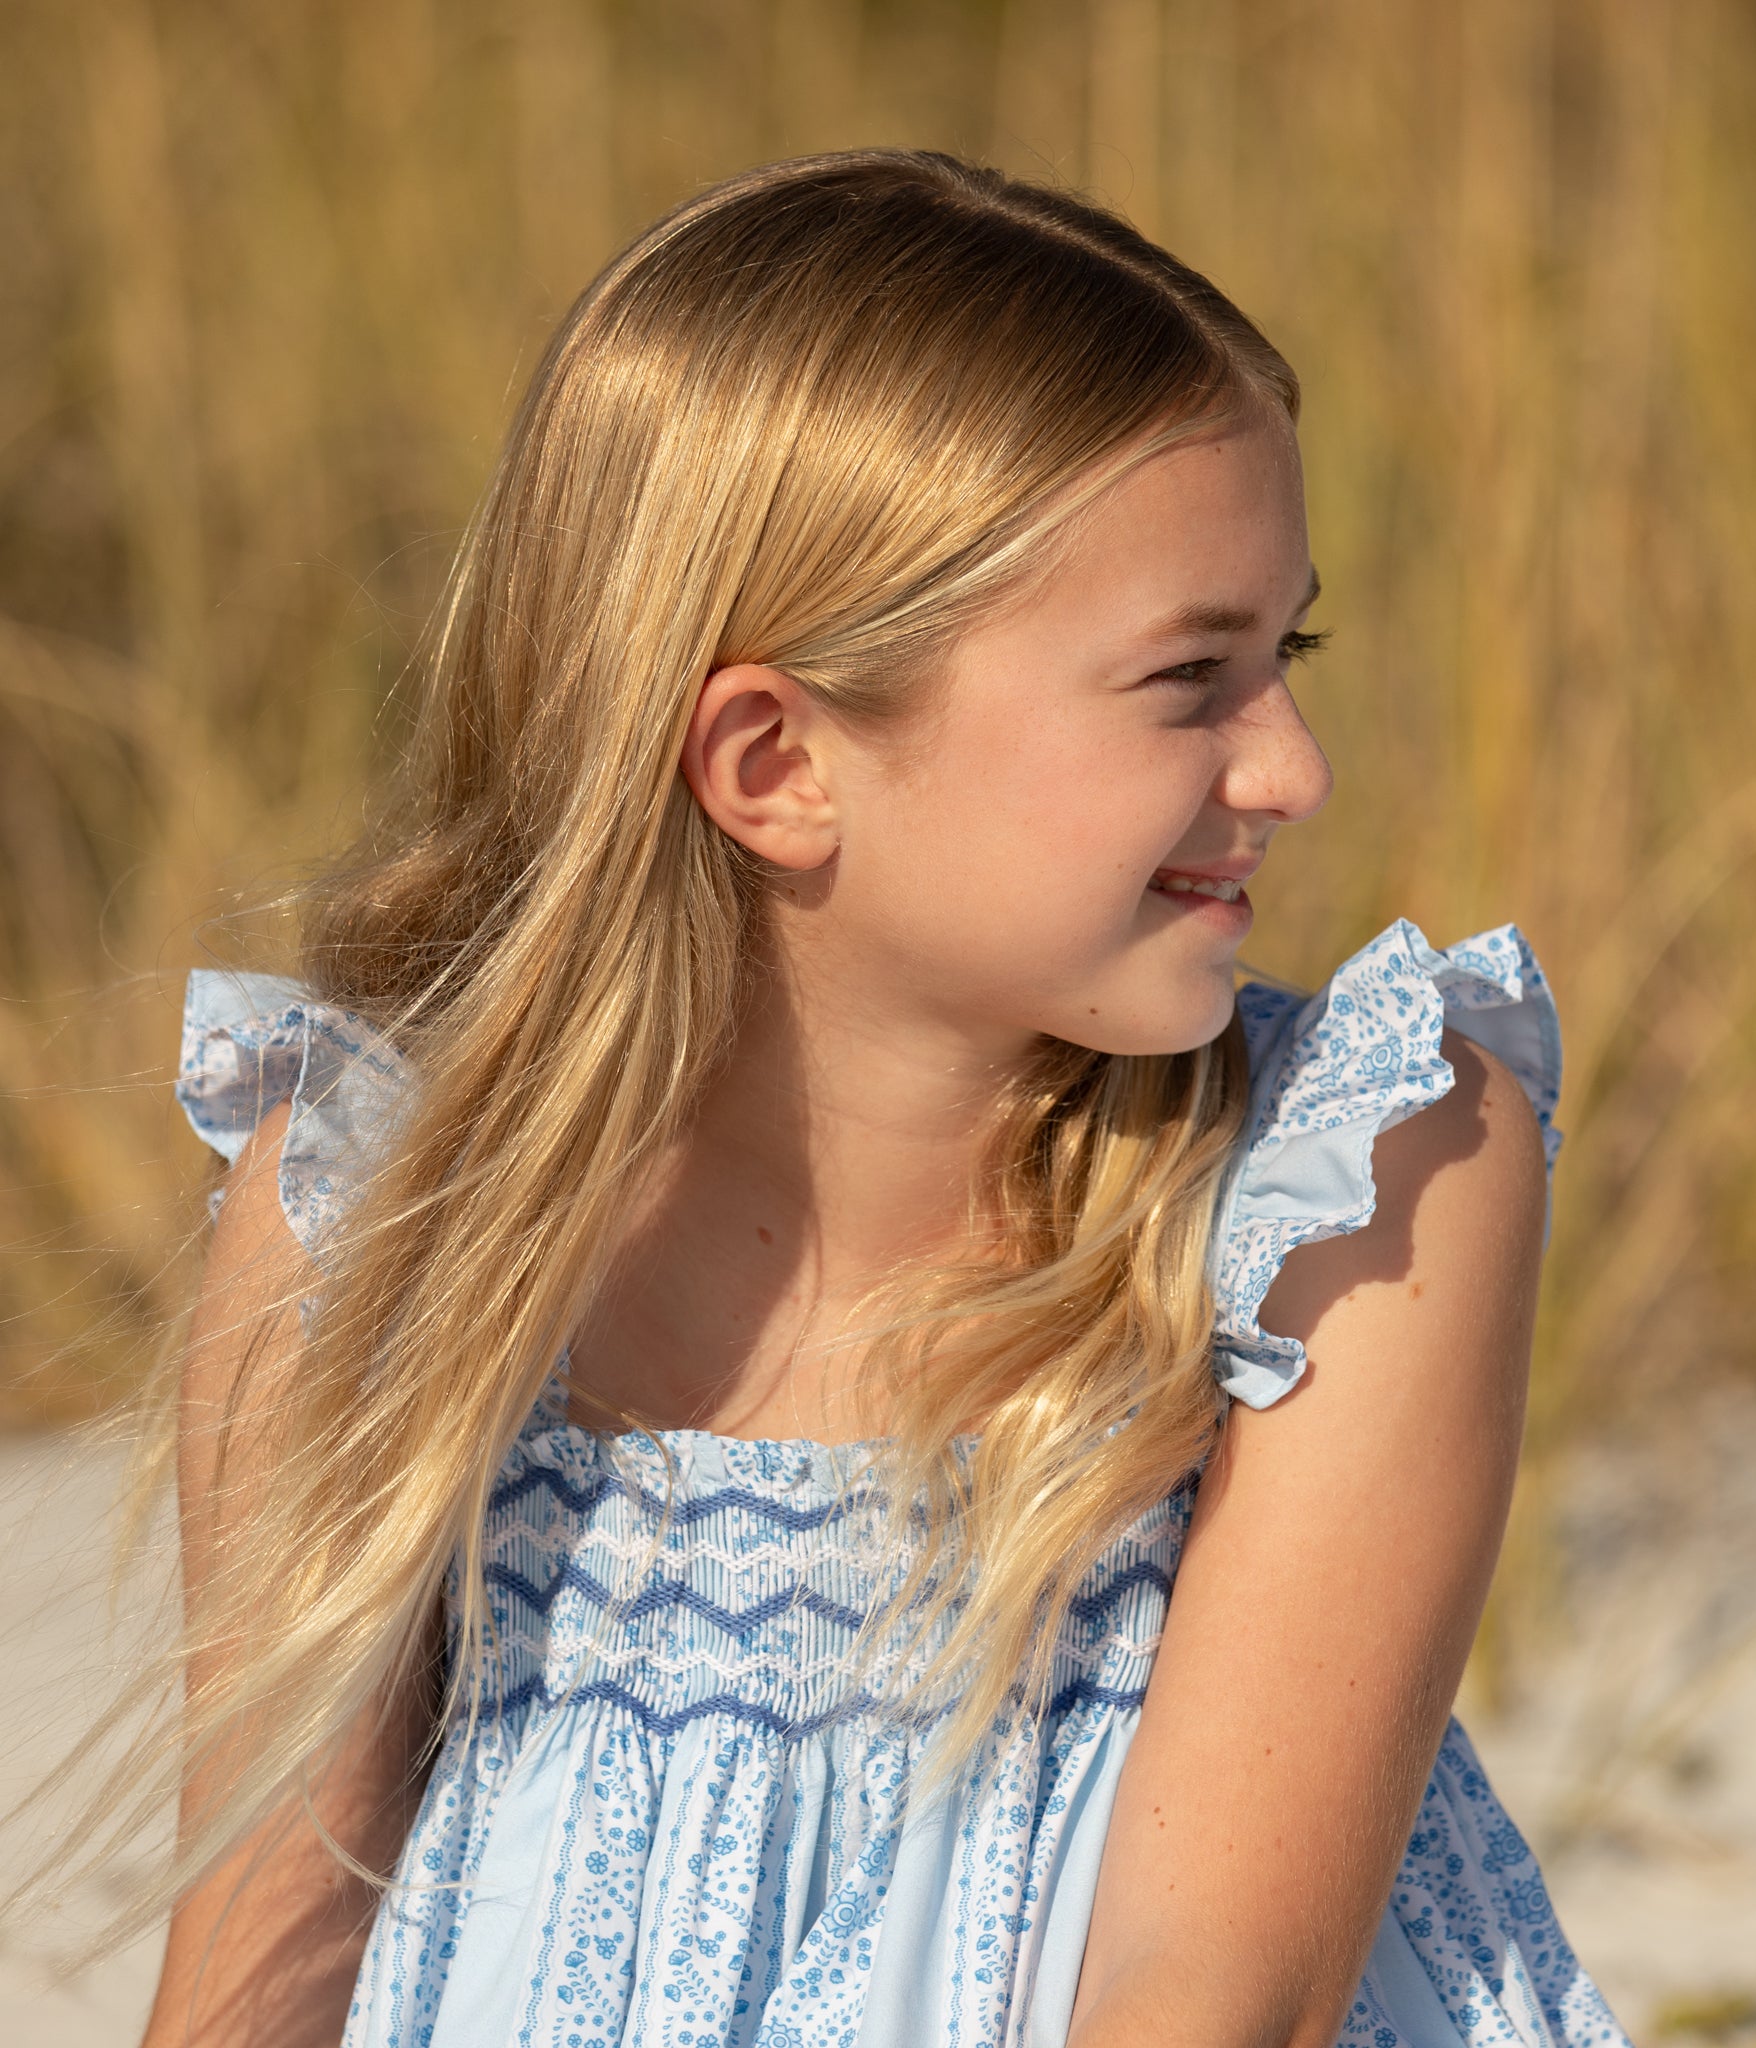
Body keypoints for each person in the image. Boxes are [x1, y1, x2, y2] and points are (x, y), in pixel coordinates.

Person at [147, 151, 1626, 2048]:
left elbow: (1214, 1992)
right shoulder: (375, 1221)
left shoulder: (1350, 1188)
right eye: (1192, 680)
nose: (1296, 766)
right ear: (776, 762)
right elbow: (252, 1976)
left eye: (1291, 653)